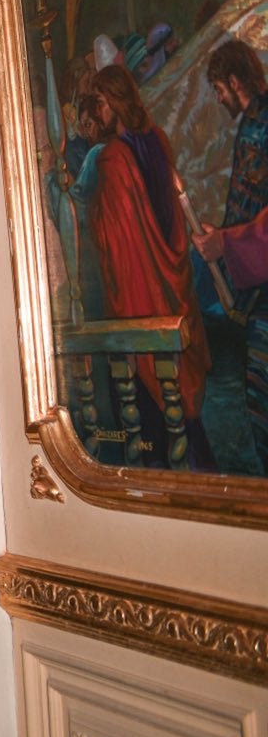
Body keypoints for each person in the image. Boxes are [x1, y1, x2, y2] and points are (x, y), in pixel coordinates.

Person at [83, 62, 212, 464]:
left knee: (147, 399)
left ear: (117, 102)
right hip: (171, 285)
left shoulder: (112, 159)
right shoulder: (156, 141)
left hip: (139, 290)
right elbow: (170, 221)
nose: (99, 111)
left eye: (102, 102)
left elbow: (112, 238)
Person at [190, 38, 268, 472]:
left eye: (219, 88)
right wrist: (223, 238)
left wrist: (228, 243)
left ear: (235, 80)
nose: (219, 99)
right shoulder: (253, 122)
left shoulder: (263, 122)